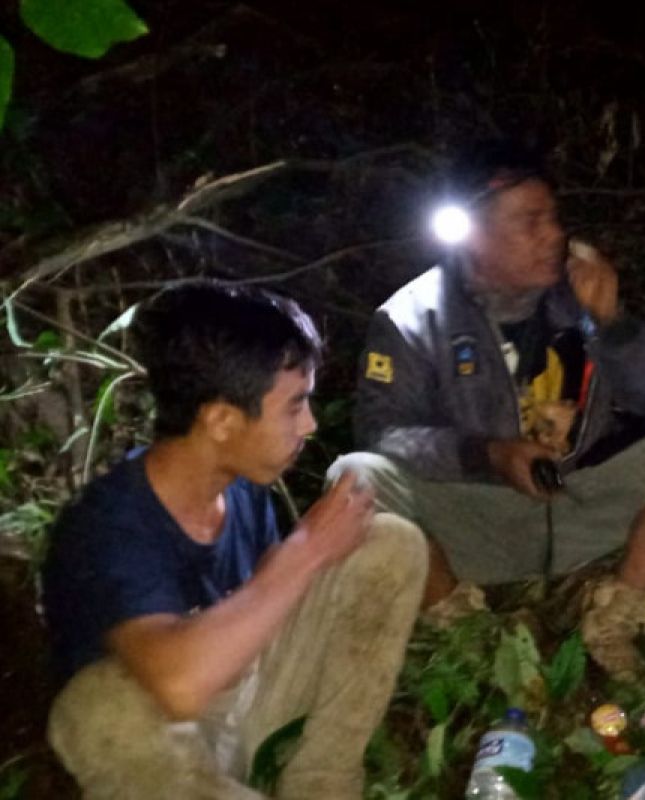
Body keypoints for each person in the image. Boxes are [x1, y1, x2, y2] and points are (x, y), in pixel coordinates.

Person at [333, 141, 645, 679]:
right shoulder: (410, 317)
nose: (554, 235)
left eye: (554, 219)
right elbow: (384, 434)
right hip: (476, 517)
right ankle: (467, 637)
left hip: (571, 501)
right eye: (530, 222)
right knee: (354, 477)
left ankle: (616, 620)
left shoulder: (575, 298)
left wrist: (613, 324)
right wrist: (487, 455)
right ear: (474, 234)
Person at [41, 283, 428, 800]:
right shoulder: (108, 526)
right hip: (165, 759)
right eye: (295, 406)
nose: (310, 425)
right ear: (221, 420)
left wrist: (311, 558)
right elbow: (177, 689)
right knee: (99, 705)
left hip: (250, 713)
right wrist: (307, 548)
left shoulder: (242, 492)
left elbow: (268, 618)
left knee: (388, 543)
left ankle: (321, 785)